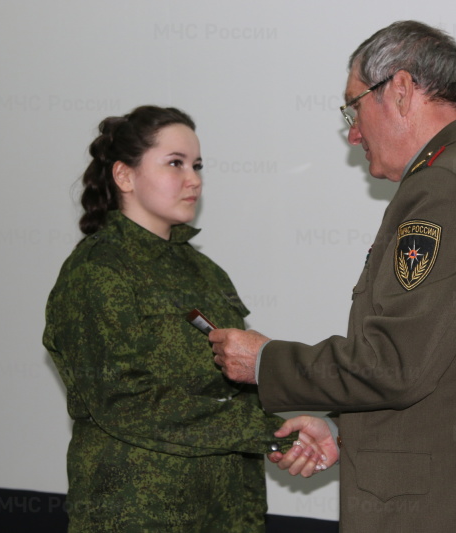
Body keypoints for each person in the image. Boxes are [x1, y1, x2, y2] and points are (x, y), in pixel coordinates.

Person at [211, 21, 456, 532]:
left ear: (399, 89)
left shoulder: (443, 191)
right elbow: (450, 370)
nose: (352, 133)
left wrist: (264, 361)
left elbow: (394, 363)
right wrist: (346, 433)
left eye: (353, 107)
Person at [42, 105, 335, 532]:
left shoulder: (204, 272)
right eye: (175, 163)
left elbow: (241, 381)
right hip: (140, 512)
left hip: (226, 509)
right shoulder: (97, 271)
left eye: (197, 165)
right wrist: (271, 431)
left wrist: (289, 426)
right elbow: (126, 402)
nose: (193, 178)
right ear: (124, 176)